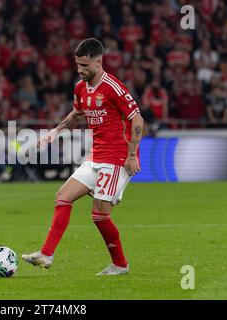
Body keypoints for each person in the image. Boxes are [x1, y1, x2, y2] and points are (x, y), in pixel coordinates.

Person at [22, 38, 144, 275]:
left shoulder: (114, 87)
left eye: (84, 66)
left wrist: (132, 155)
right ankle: (46, 254)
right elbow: (77, 113)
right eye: (77, 64)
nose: (80, 70)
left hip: (118, 158)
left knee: (99, 214)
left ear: (99, 62)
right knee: (63, 196)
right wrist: (55, 132)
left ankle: (120, 265)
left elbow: (137, 119)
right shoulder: (80, 87)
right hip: (96, 155)